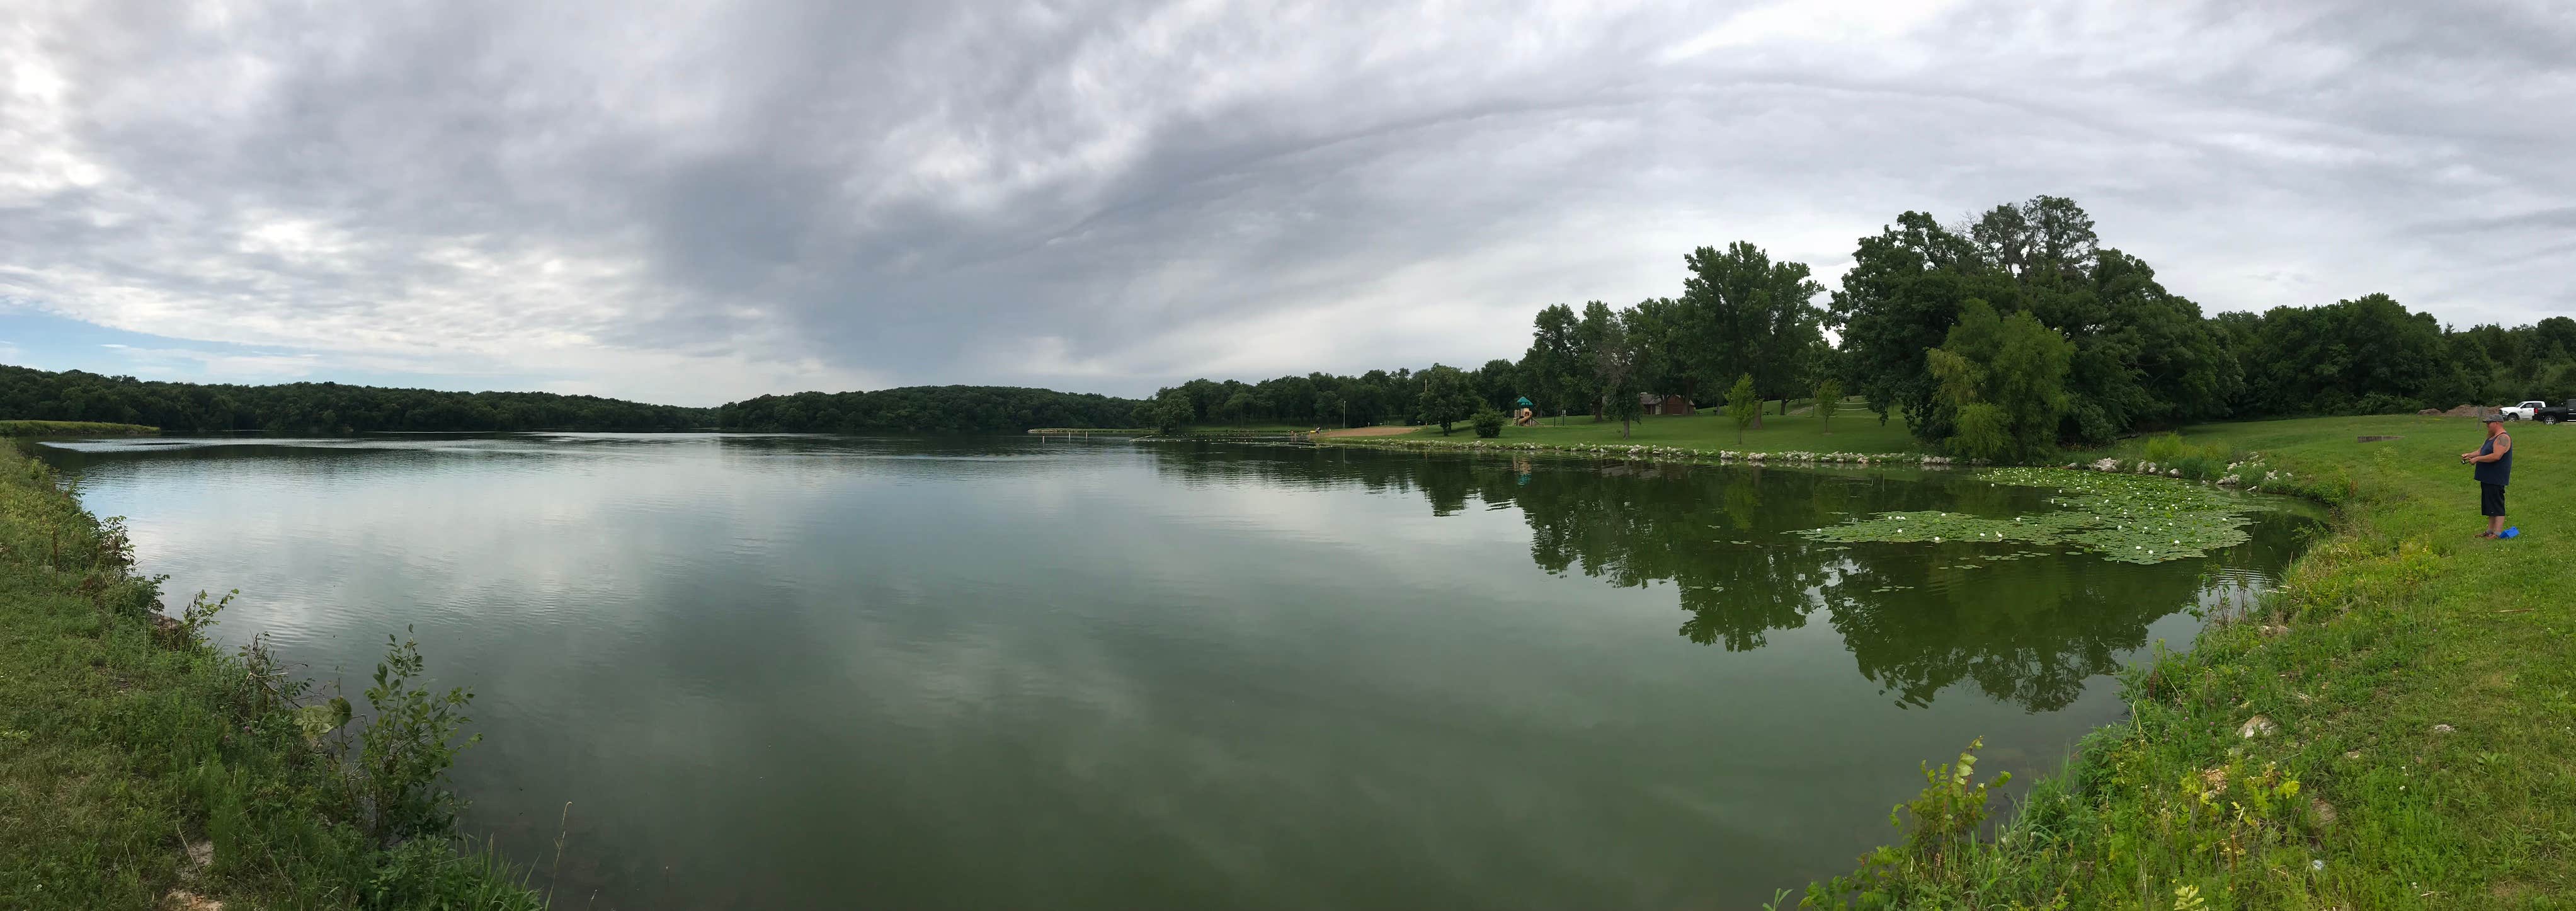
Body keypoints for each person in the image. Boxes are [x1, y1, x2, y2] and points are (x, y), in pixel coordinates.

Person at [2461, 415, 2514, 537]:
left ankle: (2497, 533)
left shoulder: (2503, 438)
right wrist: (2470, 455)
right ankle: (2489, 531)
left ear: (2497, 423)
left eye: (2488, 423)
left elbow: (2497, 456)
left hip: (2496, 478)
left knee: (2497, 504)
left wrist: (2478, 459)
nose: (2487, 426)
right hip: (2487, 477)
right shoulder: (2491, 438)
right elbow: (2481, 451)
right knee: (2489, 505)